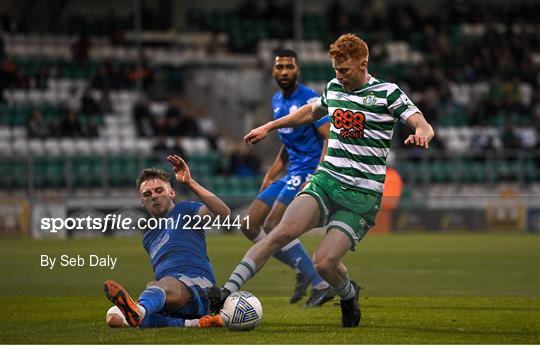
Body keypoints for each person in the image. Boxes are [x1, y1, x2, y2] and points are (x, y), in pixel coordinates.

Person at [208, 34, 435, 327]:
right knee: (279, 232)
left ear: (364, 64)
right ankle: (226, 291)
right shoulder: (334, 88)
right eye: (335, 70)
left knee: (324, 262)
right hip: (326, 181)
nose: (339, 76)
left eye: (345, 70)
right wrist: (269, 126)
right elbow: (310, 112)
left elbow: (423, 124)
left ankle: (348, 294)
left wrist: (422, 135)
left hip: (362, 196)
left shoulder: (388, 93)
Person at [237, 49, 335, 307]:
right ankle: (302, 268)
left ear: (297, 70)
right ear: (273, 71)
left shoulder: (310, 99)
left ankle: (321, 283)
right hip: (291, 172)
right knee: (249, 224)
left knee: (272, 223)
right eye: (279, 67)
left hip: (307, 172)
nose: (283, 71)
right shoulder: (277, 100)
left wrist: (317, 174)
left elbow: (329, 136)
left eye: (288, 67)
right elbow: (287, 142)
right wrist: (271, 174)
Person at [104, 155, 230, 329]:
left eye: (159, 190)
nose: (154, 196)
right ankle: (195, 323)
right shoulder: (148, 238)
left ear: (171, 193)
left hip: (199, 289)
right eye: (147, 194)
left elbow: (223, 213)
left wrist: (190, 182)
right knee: (113, 317)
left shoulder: (184, 211)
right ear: (142, 201)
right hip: (171, 296)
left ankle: (141, 310)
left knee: (156, 286)